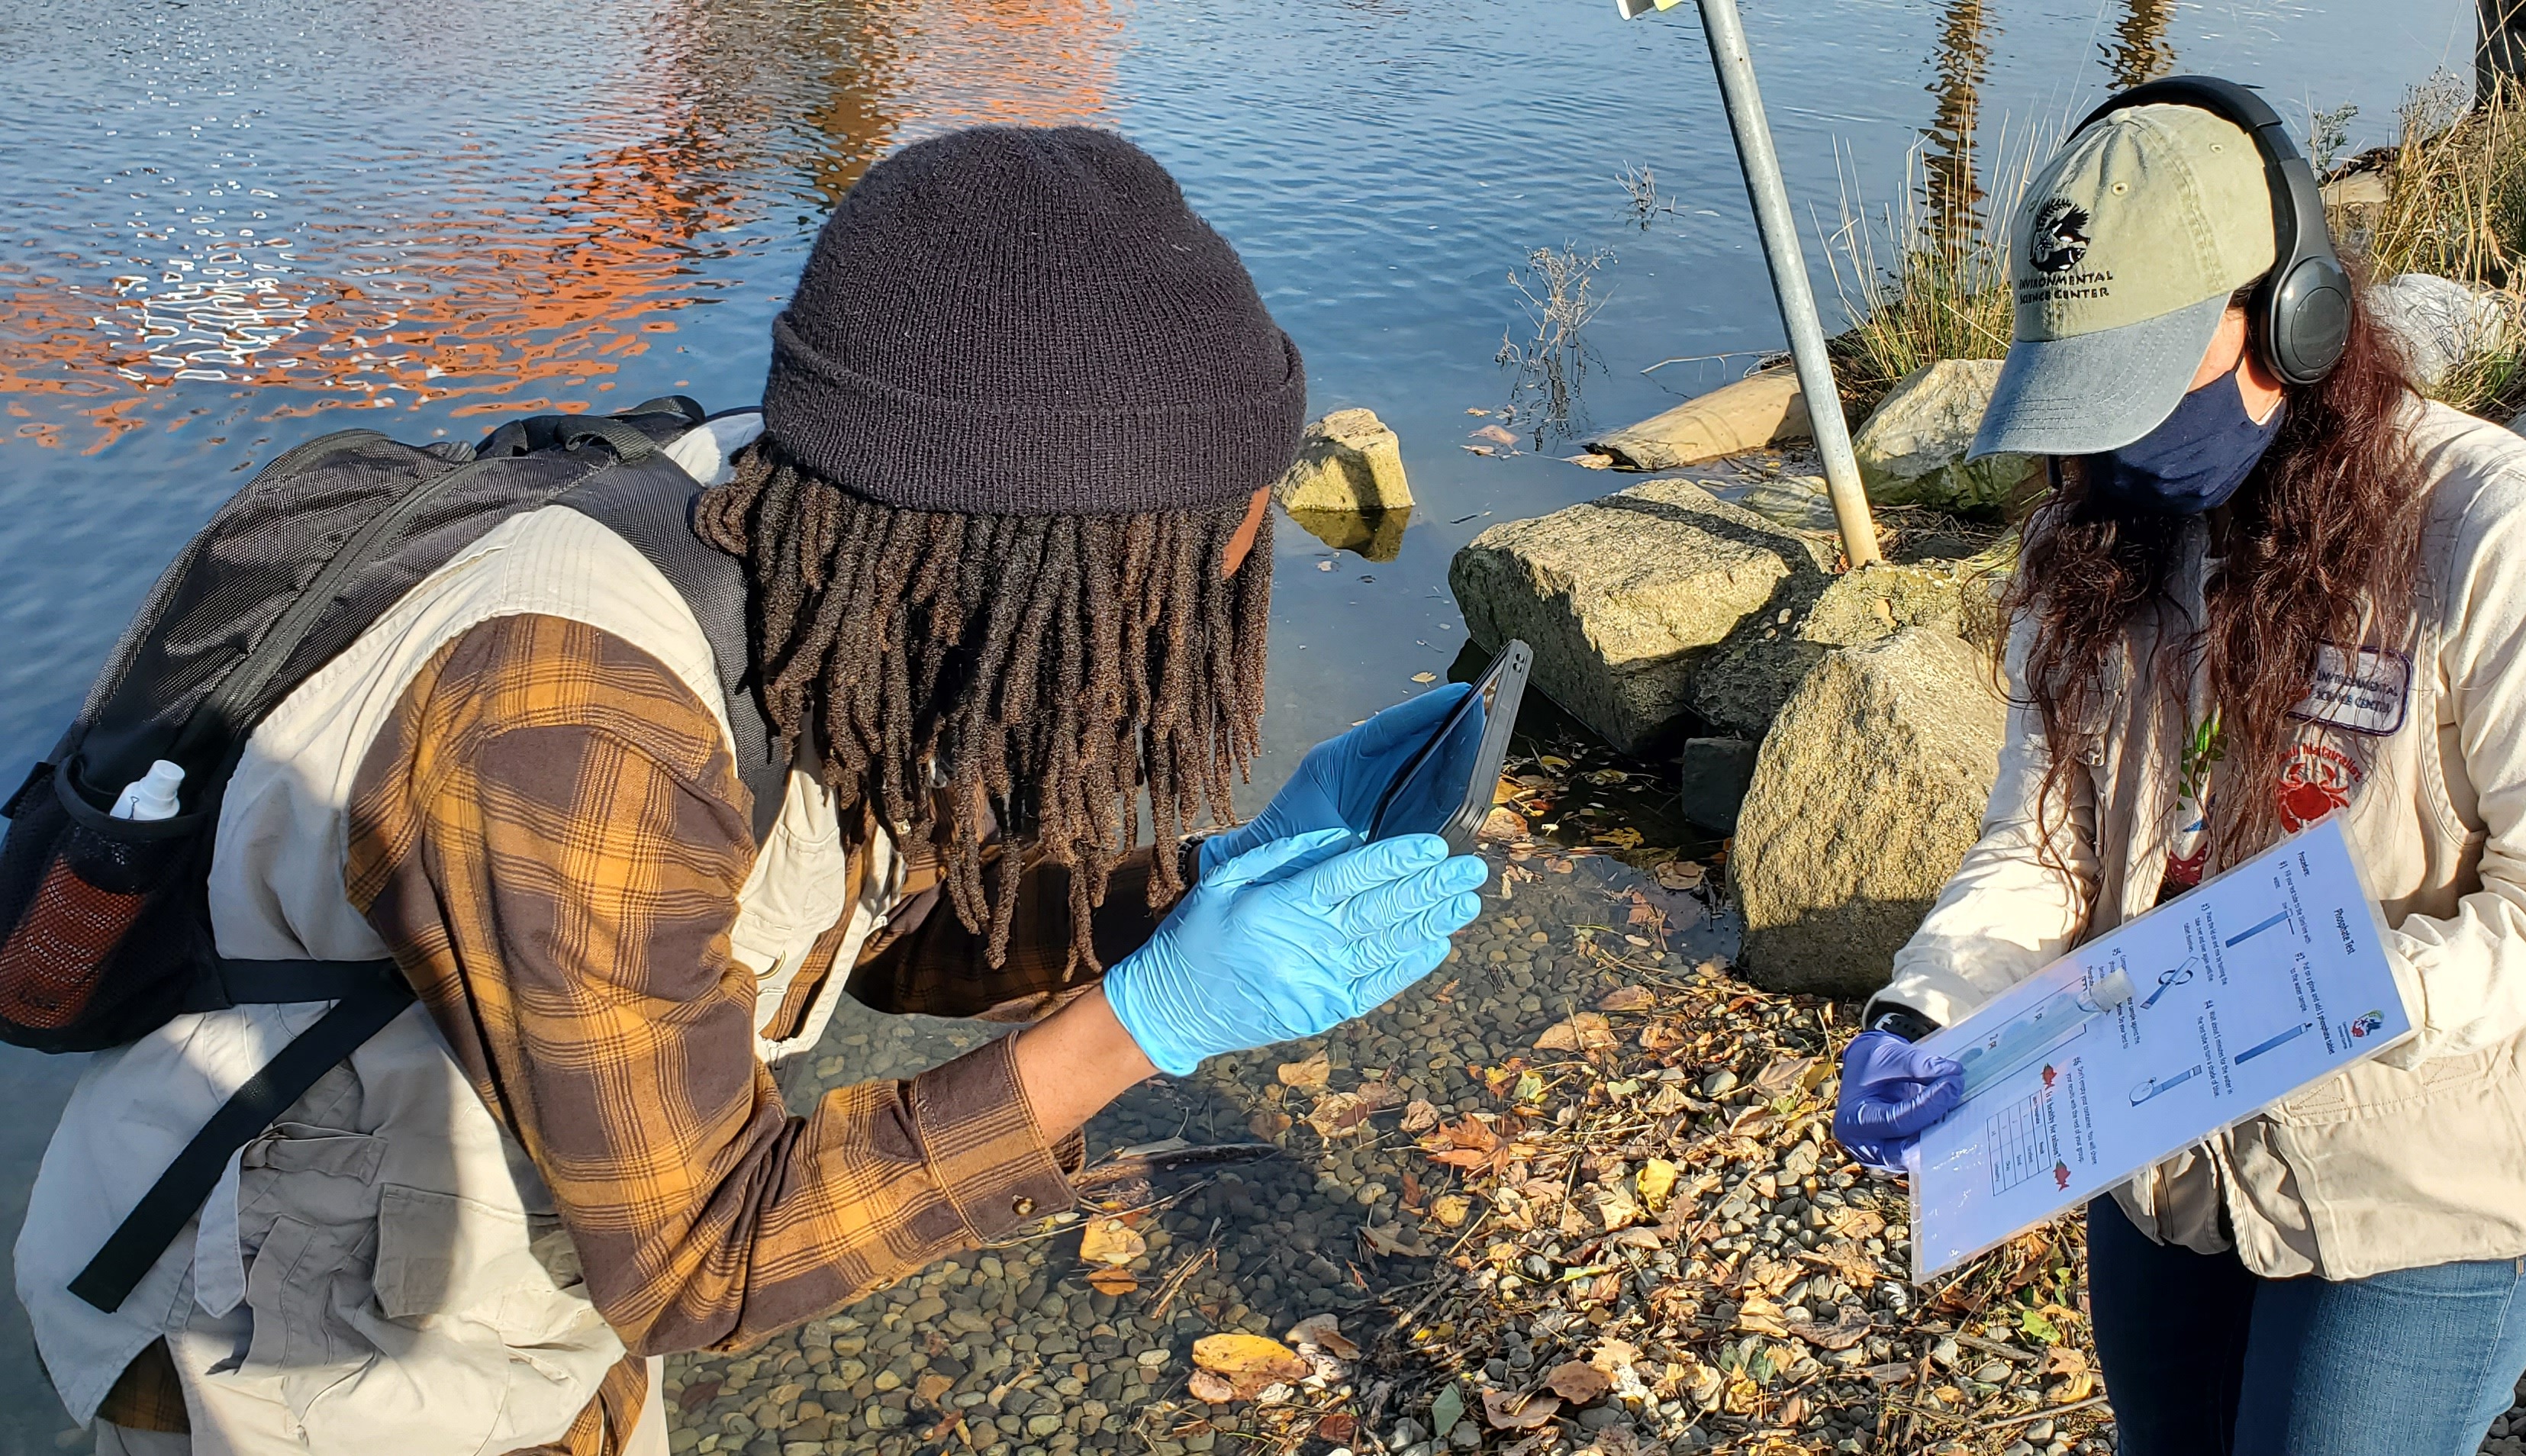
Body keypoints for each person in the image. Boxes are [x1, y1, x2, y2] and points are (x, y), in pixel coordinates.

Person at [18, 126, 1487, 1455]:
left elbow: (877, 924)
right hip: (304, 1355)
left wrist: (1212, 878)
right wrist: (1143, 1026)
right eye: (1204, 550)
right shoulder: (561, 727)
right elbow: (700, 1258)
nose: (1230, 575)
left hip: (538, 1295)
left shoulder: (846, 552)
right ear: (1051, 543)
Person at [1832, 85, 2526, 1456]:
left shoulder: (2511, 544)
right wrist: (1933, 1007)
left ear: (2296, 319)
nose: (2102, 453)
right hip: (2165, 1142)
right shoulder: (2096, 533)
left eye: (2143, 388)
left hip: (2435, 1157)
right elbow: (2043, 839)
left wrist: (2304, 1001)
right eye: (2082, 402)